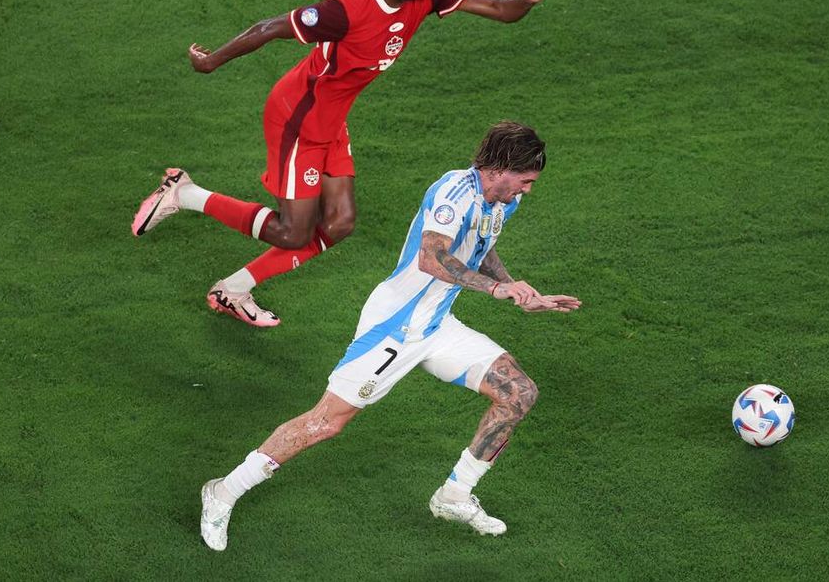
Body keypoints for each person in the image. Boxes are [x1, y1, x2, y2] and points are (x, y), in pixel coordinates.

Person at [131, 0, 550, 327]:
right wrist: (211, 61)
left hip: (332, 120)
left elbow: (499, 9)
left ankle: (234, 289)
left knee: (339, 224)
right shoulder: (344, 11)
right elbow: (271, 27)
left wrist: (525, 2)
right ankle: (184, 193)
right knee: (293, 233)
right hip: (298, 116)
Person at [198, 122, 580, 550]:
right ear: (502, 168)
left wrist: (517, 290)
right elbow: (432, 257)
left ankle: (453, 496)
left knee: (519, 392)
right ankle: (223, 491)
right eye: (525, 181)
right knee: (325, 423)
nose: (527, 191)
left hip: (437, 324)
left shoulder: (501, 203)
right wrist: (495, 289)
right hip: (395, 326)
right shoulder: (453, 193)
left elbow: (480, 243)